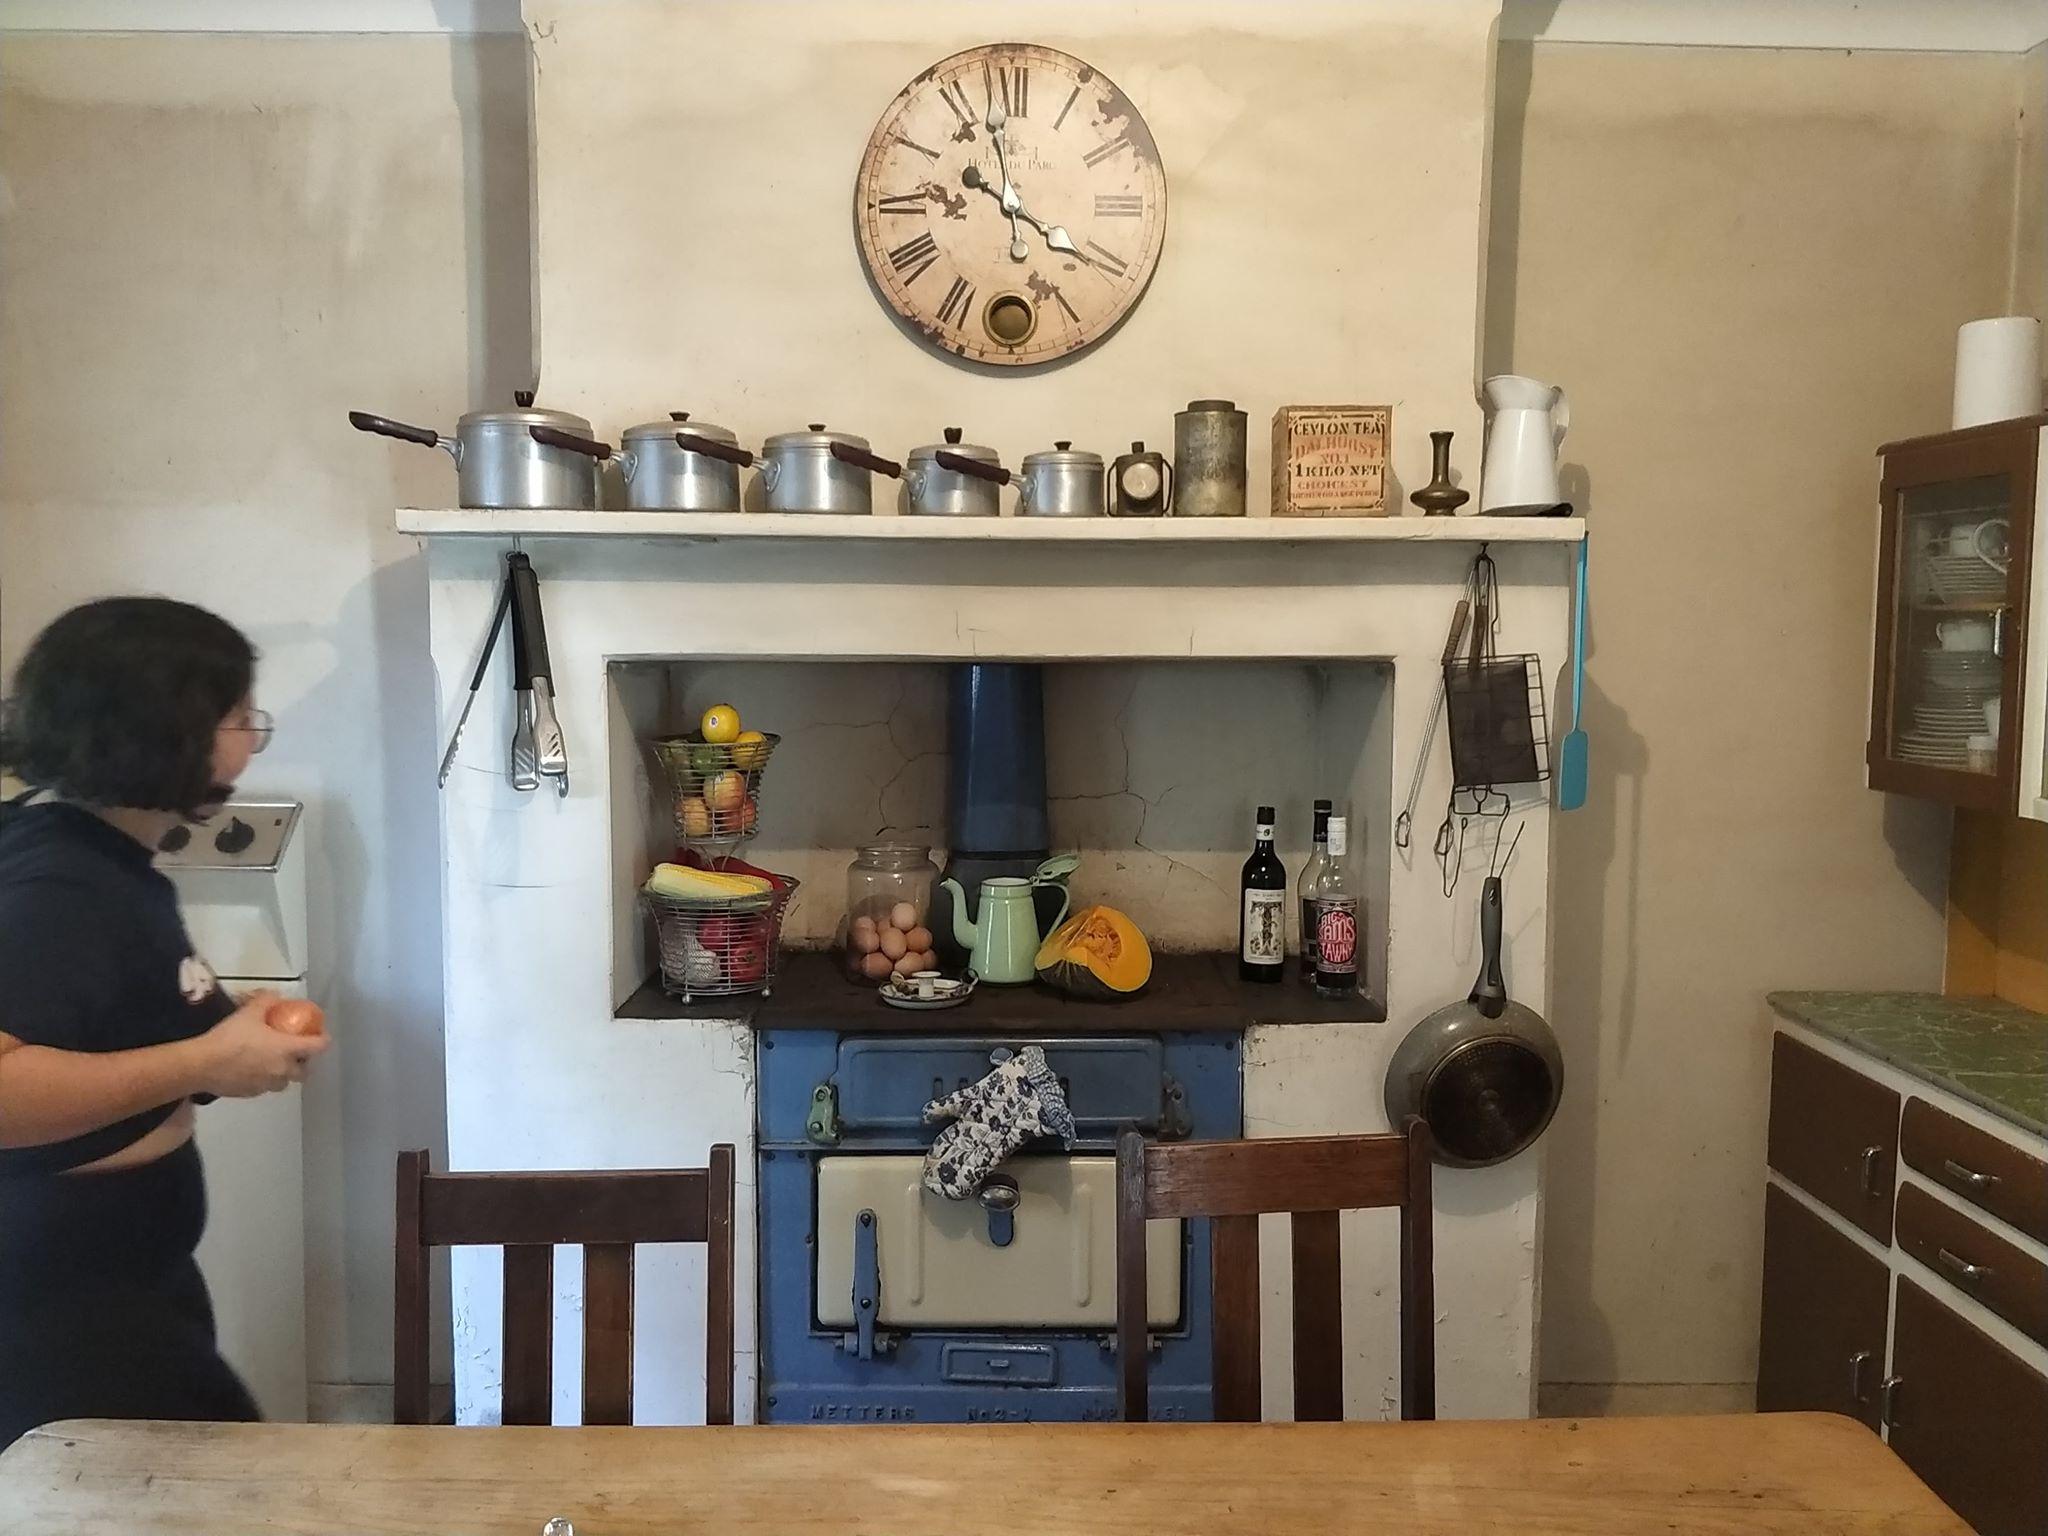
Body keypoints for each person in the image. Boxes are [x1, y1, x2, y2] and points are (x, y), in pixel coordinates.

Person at [0, 597, 331, 1447]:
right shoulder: (62, 886)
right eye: (235, 715)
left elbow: (109, 1015)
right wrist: (201, 1065)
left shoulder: (92, 849)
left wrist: (231, 1032)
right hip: (65, 1309)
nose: (253, 737)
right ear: (164, 729)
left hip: (124, 1284)